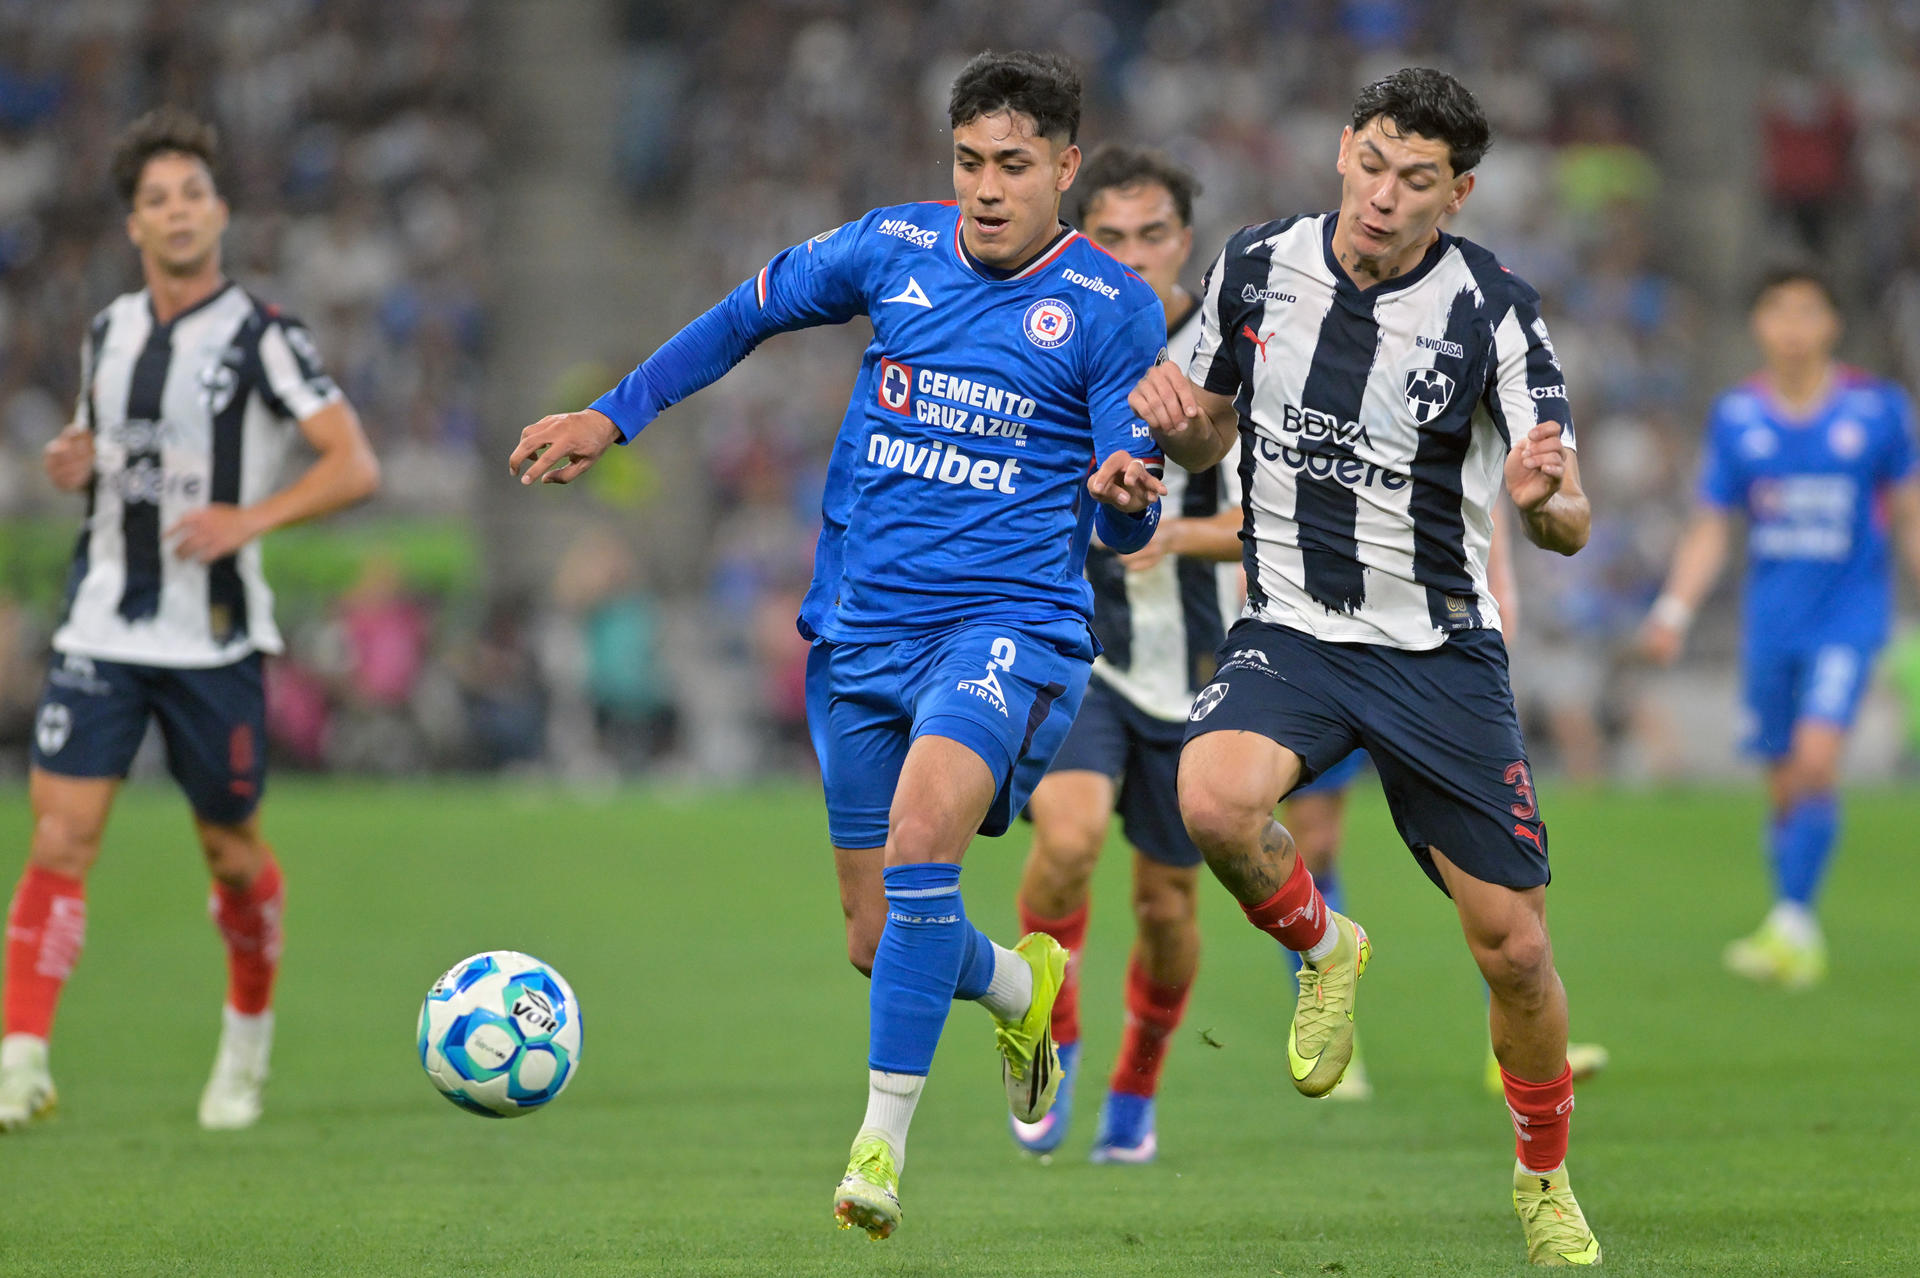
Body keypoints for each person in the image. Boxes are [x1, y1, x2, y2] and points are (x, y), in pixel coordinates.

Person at [506, 52, 1167, 1241]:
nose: (986, 186)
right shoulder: (889, 248)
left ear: (1066, 168)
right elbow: (742, 316)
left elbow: (1133, 496)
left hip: (1010, 629)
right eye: (969, 161)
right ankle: (1022, 988)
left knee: (926, 842)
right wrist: (613, 413)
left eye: (1014, 165)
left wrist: (1126, 495)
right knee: (878, 937)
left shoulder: (1114, 305)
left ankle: (880, 1149)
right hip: (862, 631)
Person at [1130, 69, 1603, 1266]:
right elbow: (1208, 428)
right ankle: (1324, 946)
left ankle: (1543, 1176)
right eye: (1376, 164)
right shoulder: (1256, 266)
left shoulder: (1495, 311)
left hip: (1439, 652)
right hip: (1292, 629)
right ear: (1343, 151)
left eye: (1420, 180)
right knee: (1213, 802)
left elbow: (1565, 516)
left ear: (1461, 192)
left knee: (1517, 950)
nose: (1387, 197)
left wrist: (1549, 505)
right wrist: (1174, 429)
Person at [0, 108, 380, 1133]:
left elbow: (354, 462)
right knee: (62, 835)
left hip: (211, 639)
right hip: (101, 629)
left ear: (220, 211)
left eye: (192, 194)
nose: (176, 212)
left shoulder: (264, 335)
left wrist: (250, 518)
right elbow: (110, 449)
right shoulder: (108, 329)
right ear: (134, 224)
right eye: (156, 199)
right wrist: (73, 460)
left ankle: (245, 1049)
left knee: (233, 856)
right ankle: (21, 1057)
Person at [1008, 146, 1241, 1163]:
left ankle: (1136, 1090)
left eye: (1154, 236)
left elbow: (1287, 516)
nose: (1134, 256)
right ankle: (1047, 1041)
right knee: (1065, 845)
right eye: (1109, 237)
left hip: (1198, 665)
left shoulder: (1235, 350)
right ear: (1080, 238)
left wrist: (1171, 533)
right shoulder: (1055, 327)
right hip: (1081, 646)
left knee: (1166, 902)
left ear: (1184, 242)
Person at [1640, 267, 1920, 988]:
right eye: (1778, 312)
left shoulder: (1880, 410)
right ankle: (1791, 922)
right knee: (1785, 781)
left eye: (1807, 311)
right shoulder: (1738, 417)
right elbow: (1711, 527)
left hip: (1849, 621)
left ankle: (1794, 923)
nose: (1793, 327)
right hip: (1771, 626)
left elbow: (1912, 516)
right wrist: (1674, 610)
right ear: (1760, 326)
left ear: (1832, 324)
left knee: (1818, 760)